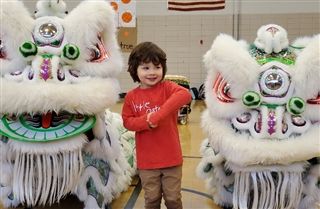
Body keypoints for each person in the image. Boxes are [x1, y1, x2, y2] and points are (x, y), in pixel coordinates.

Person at [121, 42, 192, 209]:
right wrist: (147, 121)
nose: (152, 72)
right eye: (146, 68)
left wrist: (158, 115)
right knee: (151, 200)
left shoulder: (168, 88)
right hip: (147, 162)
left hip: (171, 159)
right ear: (134, 70)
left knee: (173, 199)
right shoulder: (131, 97)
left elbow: (185, 95)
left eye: (157, 67)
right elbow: (127, 122)